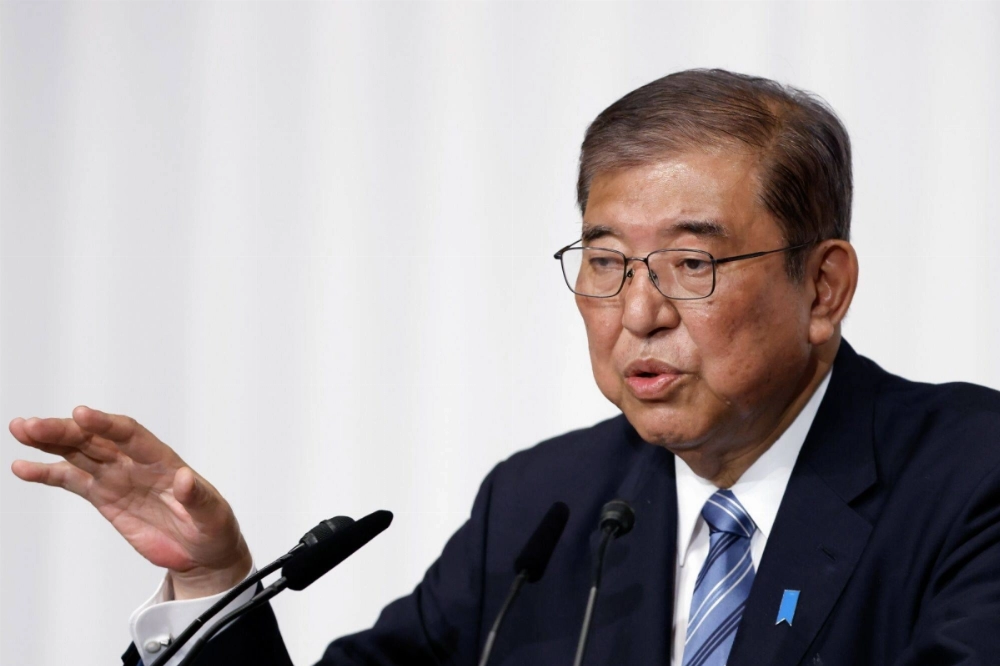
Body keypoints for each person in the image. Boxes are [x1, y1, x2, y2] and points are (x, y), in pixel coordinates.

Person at [10, 69, 1000, 666]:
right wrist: (214, 580)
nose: (638, 313)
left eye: (691, 264)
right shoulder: (544, 506)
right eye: (605, 263)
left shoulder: (970, 477)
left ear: (822, 287)